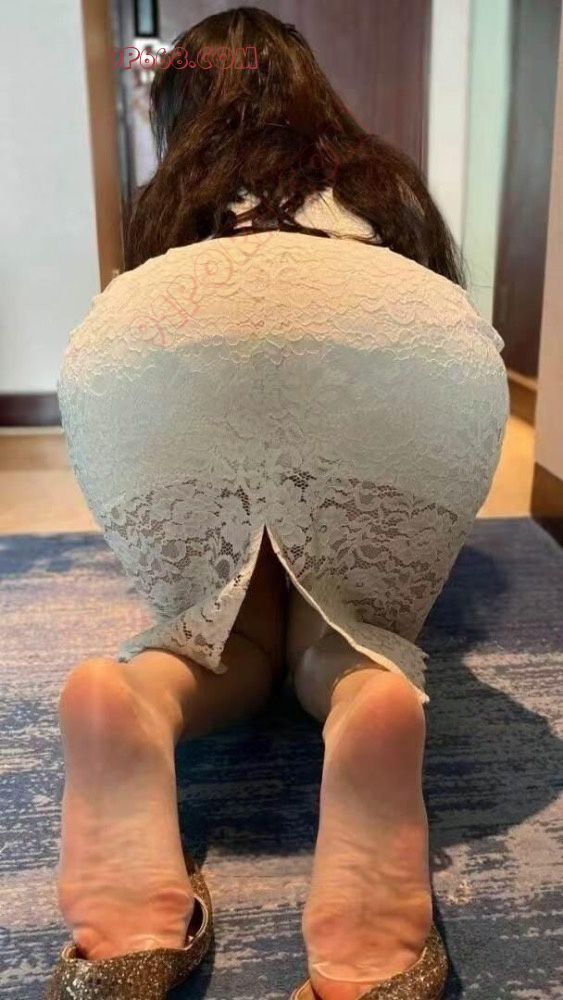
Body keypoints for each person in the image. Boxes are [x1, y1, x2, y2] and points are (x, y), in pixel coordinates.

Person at [48, 7, 509, 999]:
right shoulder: (380, 181)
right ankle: (364, 690)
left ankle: (139, 697)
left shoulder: (175, 195)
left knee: (222, 628)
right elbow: (432, 294)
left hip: (159, 336)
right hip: (393, 338)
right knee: (340, 624)